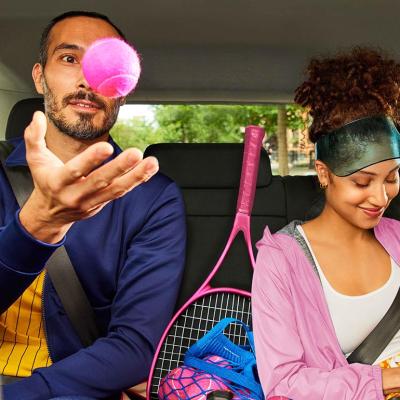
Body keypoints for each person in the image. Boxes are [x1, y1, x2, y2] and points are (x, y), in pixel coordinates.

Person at [0, 11, 186, 400]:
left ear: (123, 85)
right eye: (69, 59)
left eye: (107, 64)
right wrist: (35, 226)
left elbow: (135, 348)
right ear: (39, 76)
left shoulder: (152, 197)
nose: (87, 80)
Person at [252, 48, 400, 399]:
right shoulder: (282, 261)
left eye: (392, 177)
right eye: (362, 182)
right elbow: (284, 382)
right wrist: (388, 380)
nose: (381, 198)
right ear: (324, 173)